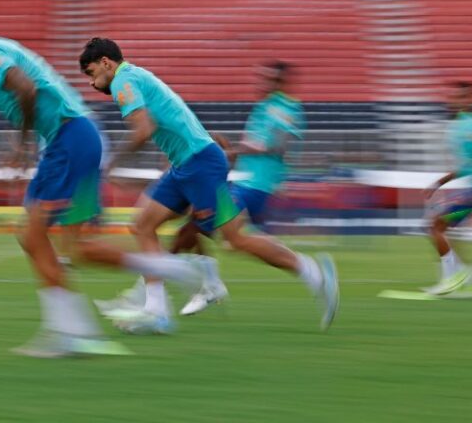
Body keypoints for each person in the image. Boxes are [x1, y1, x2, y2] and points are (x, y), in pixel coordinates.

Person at [0, 1, 203, 357]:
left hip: (69, 141)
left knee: (33, 234)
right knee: (71, 247)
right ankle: (154, 277)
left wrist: (23, 145)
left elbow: (26, 88)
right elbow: (31, 91)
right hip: (75, 138)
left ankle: (71, 332)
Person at [80, 38, 338, 332]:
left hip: (200, 164)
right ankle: (157, 311)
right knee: (142, 224)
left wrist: (111, 162)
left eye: (90, 73)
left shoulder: (122, 82)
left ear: (105, 63)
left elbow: (144, 130)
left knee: (235, 239)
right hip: (186, 165)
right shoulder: (134, 75)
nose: (91, 83)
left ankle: (313, 273)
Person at [423, 81, 472, 295]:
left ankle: (452, 279)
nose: (453, 101)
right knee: (446, 232)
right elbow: (465, 167)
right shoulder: (458, 126)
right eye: (452, 97)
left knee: (436, 226)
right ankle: (471, 278)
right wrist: (438, 183)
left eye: (460, 97)